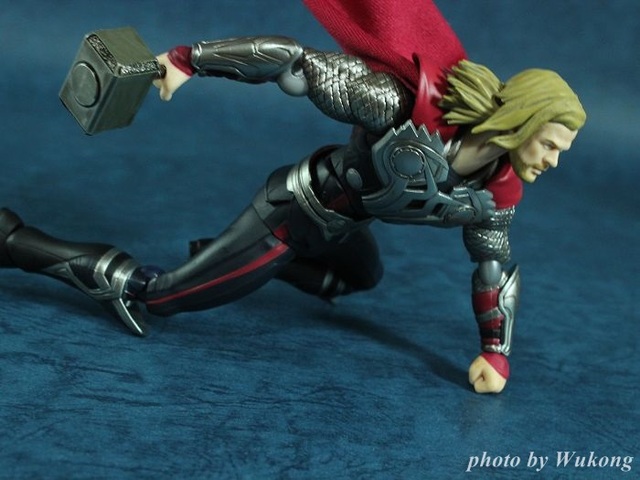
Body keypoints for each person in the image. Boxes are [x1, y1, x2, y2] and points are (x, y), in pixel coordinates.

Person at [0, 1, 585, 393]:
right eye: (551, 144)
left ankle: (229, 260)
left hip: (347, 227)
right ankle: (19, 242)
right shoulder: (400, 106)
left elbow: (492, 267)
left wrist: (496, 352)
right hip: (296, 211)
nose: (554, 161)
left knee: (359, 279)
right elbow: (295, 64)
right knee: (161, 298)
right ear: (520, 121)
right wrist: (187, 60)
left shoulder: (497, 190)